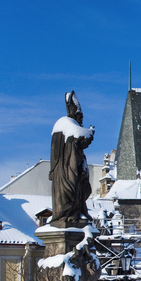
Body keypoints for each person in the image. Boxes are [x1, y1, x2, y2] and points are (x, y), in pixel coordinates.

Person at [49, 91, 95, 227]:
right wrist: (90, 132)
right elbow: (80, 139)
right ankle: (70, 213)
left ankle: (74, 212)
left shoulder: (61, 125)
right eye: (80, 115)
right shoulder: (66, 123)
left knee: (76, 191)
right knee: (71, 192)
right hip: (67, 171)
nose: (81, 120)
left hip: (65, 169)